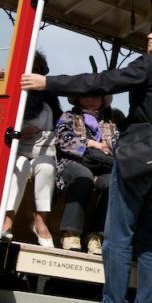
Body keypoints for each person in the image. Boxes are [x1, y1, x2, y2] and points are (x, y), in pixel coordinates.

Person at [21, 14, 152, 303]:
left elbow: (102, 82)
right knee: (149, 238)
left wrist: (48, 82)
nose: (149, 36)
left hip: (140, 161)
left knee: (118, 236)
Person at [2, 51, 59, 246]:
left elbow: (55, 128)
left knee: (48, 167)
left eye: (37, 71)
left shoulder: (49, 100)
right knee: (20, 166)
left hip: (40, 150)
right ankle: (7, 220)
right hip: (13, 151)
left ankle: (40, 221)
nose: (32, 75)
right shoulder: (11, 91)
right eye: (30, 70)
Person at [54, 93, 113, 253]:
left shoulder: (110, 124)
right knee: (83, 176)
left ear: (102, 100)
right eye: (84, 96)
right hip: (71, 163)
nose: (90, 99)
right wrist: (91, 143)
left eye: (94, 96)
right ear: (78, 98)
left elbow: (117, 147)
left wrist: (107, 150)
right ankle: (70, 233)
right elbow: (63, 140)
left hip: (101, 167)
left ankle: (96, 236)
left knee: (111, 183)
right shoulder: (68, 116)